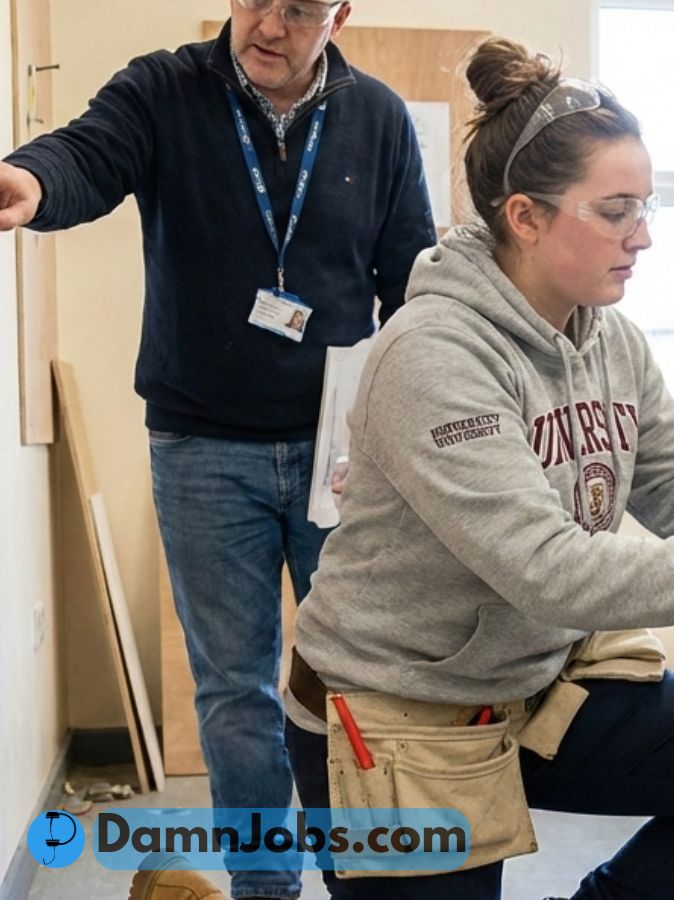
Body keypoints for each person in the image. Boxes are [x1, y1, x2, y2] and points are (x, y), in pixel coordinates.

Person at [280, 37, 674, 900]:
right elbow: (551, 571)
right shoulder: (433, 355)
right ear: (525, 217)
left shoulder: (607, 336)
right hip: (396, 716)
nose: (642, 237)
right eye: (615, 211)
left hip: (532, 686)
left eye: (647, 208)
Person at [0, 1, 436, 898]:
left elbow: (413, 288)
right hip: (202, 449)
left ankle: (362, 882)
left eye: (300, 7)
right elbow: (86, 153)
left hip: (340, 461)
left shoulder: (380, 119)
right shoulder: (165, 89)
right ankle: (263, 889)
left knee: (356, 687)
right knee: (236, 695)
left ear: (339, 14)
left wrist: (411, 435)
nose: (269, 25)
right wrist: (31, 183)